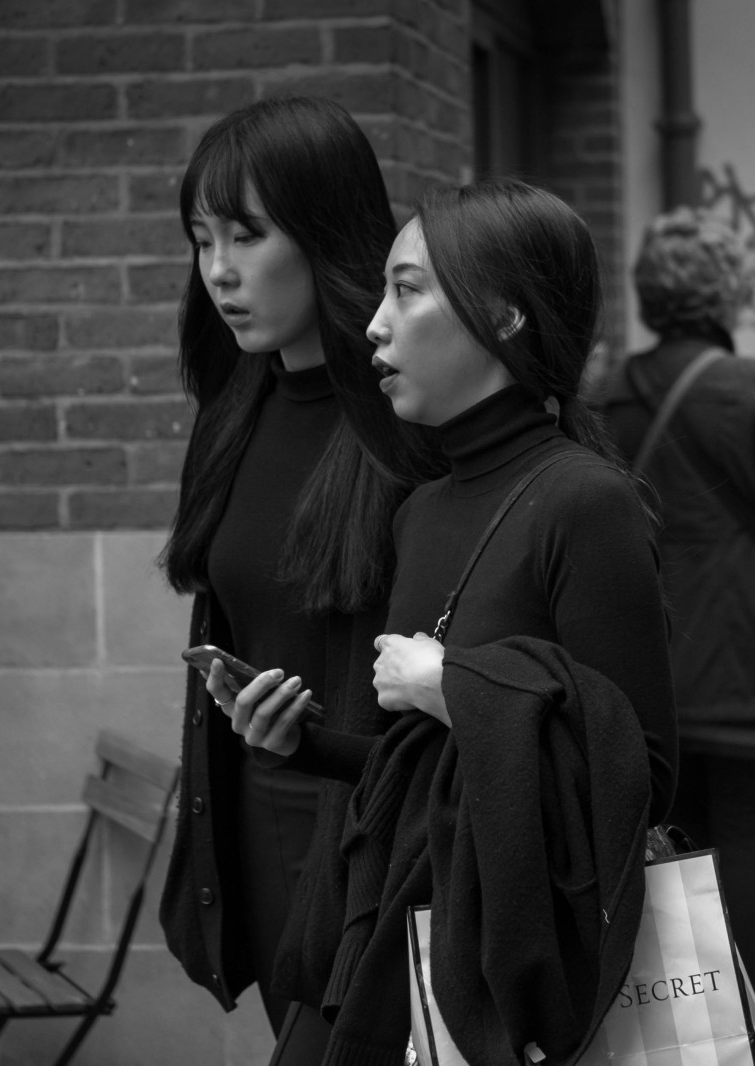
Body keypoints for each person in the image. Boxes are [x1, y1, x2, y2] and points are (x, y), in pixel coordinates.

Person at [236, 177, 679, 1066]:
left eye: (407, 291)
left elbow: (644, 772)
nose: (375, 325)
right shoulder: (421, 510)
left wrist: (455, 684)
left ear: (505, 315)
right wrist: (302, 744)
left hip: (493, 972)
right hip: (384, 936)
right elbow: (422, 770)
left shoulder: (585, 502)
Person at [155, 95, 441, 1041]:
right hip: (259, 814)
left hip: (387, 828)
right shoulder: (234, 407)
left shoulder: (413, 422)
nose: (220, 270)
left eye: (248, 235)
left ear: (325, 232)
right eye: (202, 240)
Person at [600, 206, 755, 1066]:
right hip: (743, 658)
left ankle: (680, 1038)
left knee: (666, 852)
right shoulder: (754, 386)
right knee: (743, 840)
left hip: (644, 666)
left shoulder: (611, 393)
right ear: (725, 291)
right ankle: (739, 1037)